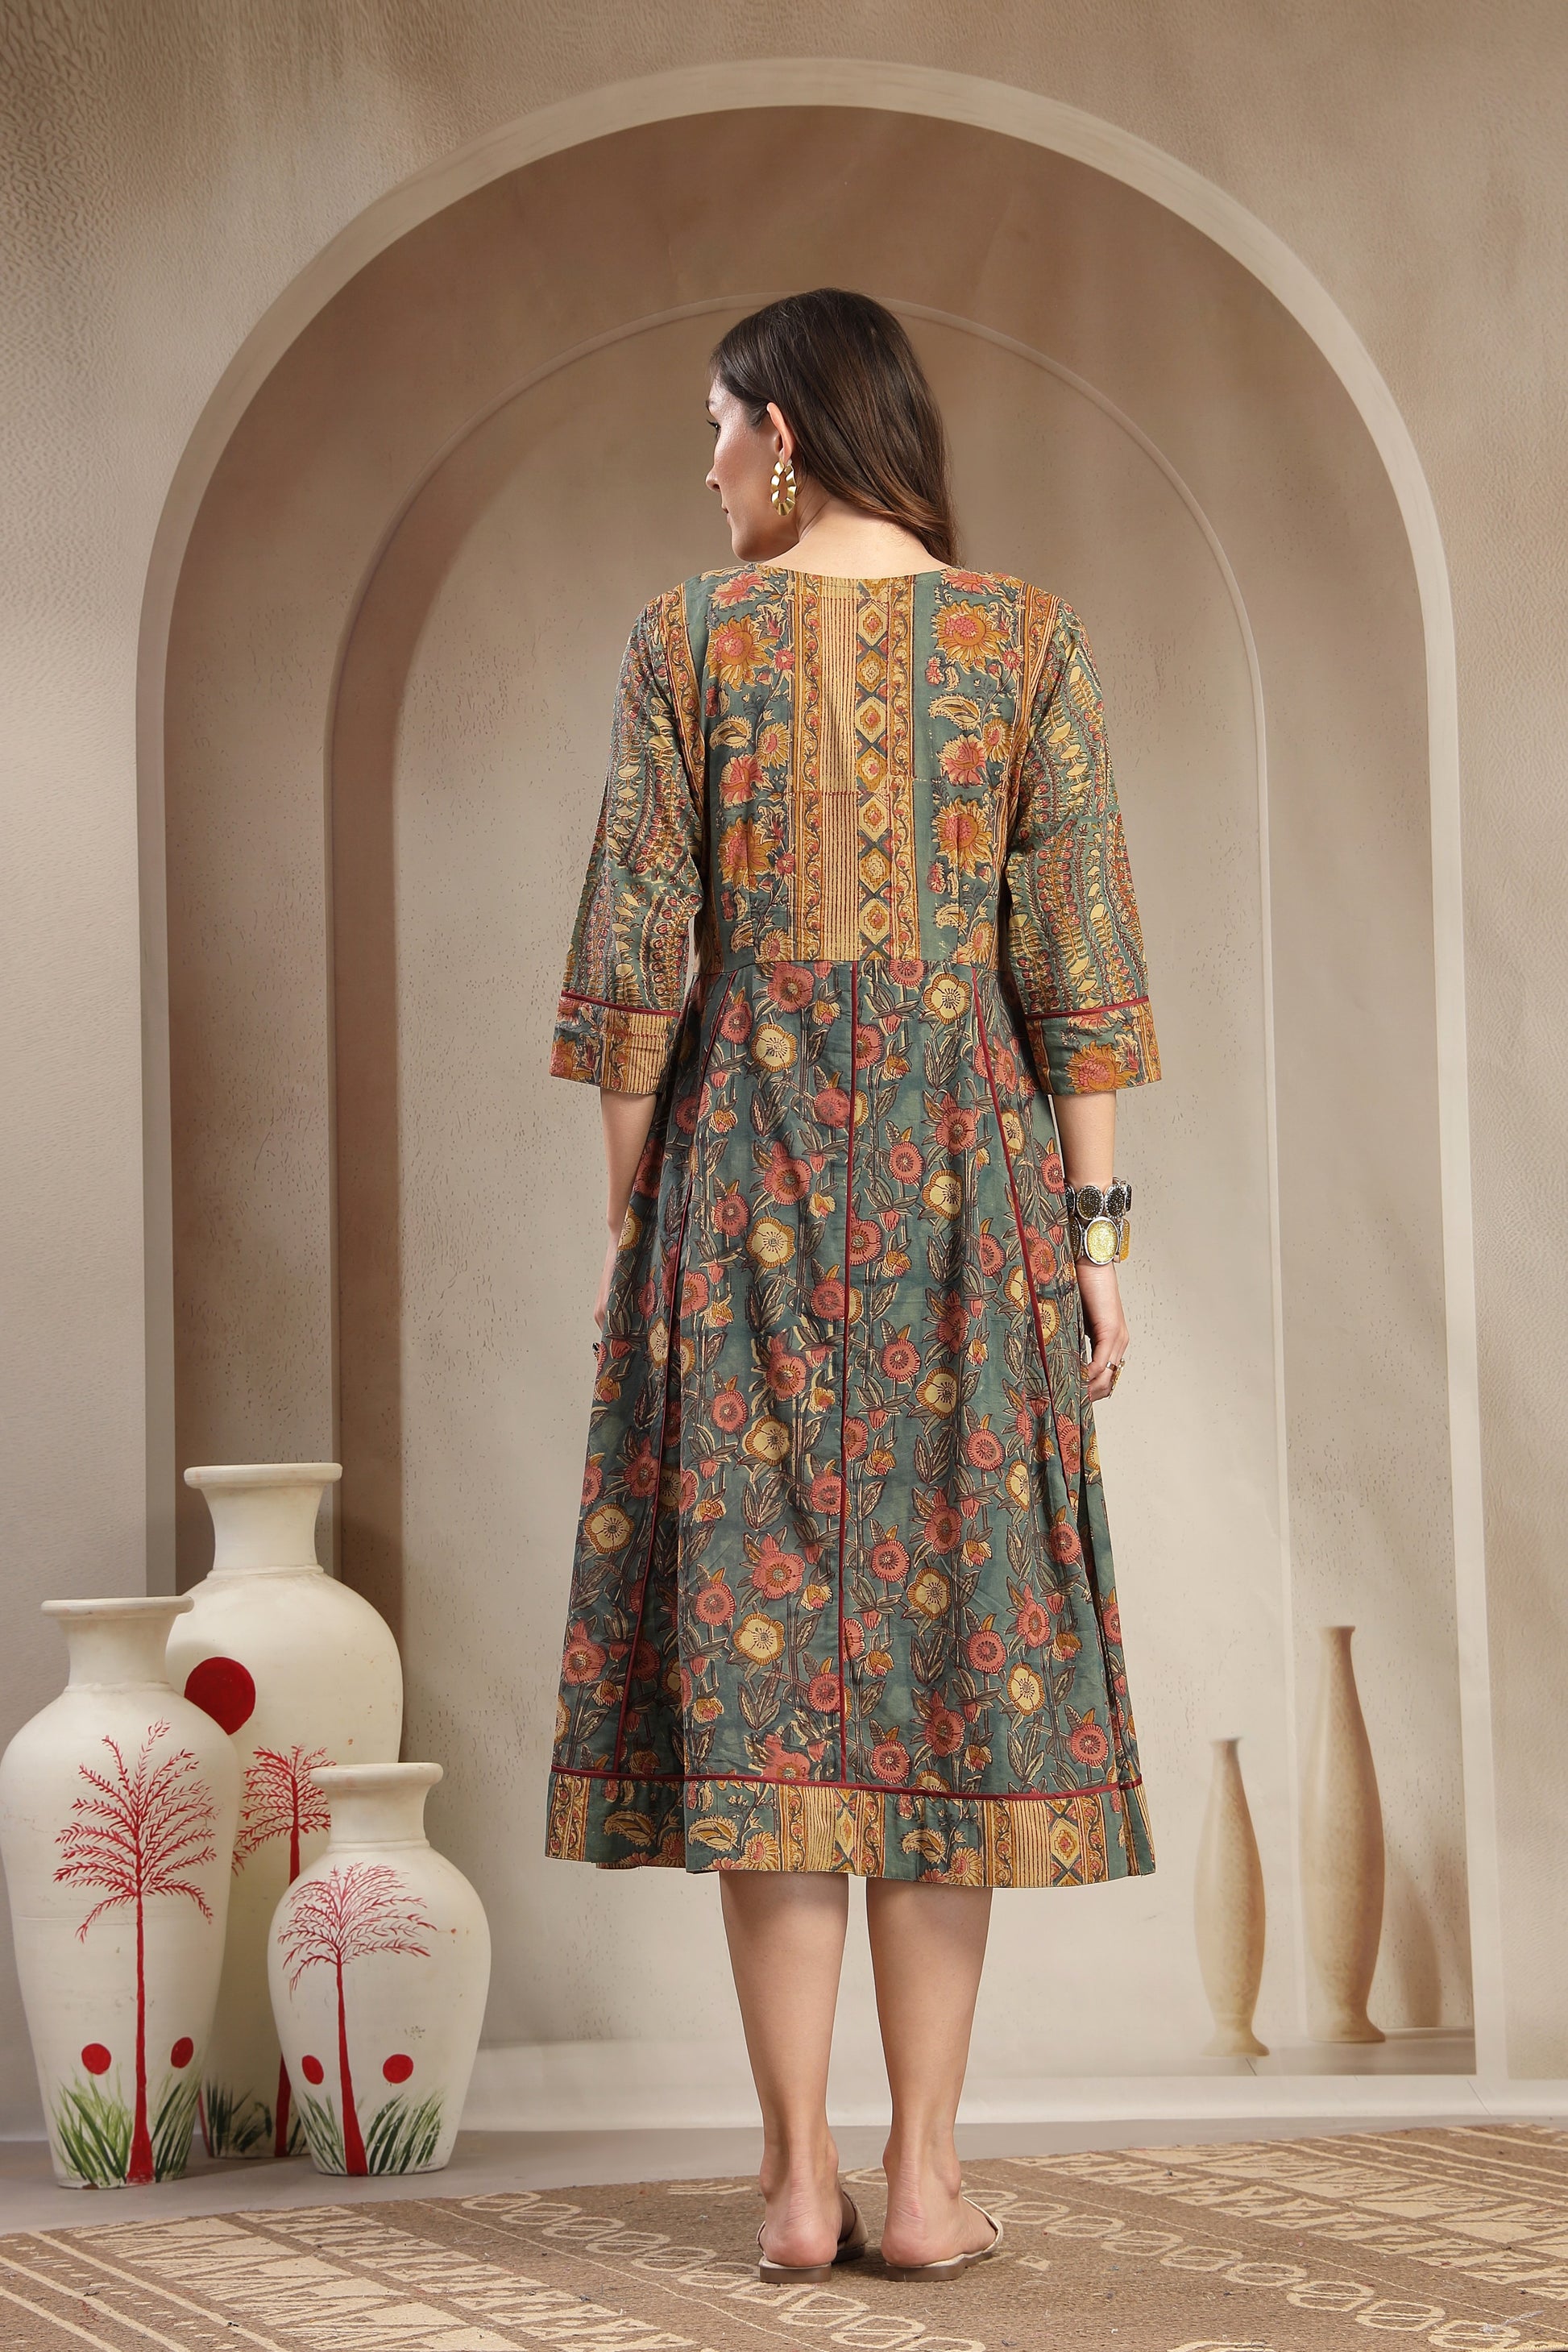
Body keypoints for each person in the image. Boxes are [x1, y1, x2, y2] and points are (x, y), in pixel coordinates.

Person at [544, 288, 1162, 2284]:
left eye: (717, 425)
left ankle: (796, 2179)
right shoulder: (1027, 640)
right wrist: (1095, 1241)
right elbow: (1077, 969)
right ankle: (924, 2181)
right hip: (970, 1194)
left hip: (739, 1188)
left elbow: (633, 965)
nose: (704, 463)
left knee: (764, 1673)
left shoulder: (684, 639)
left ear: (787, 432)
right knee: (944, 1673)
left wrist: (633, 1224)